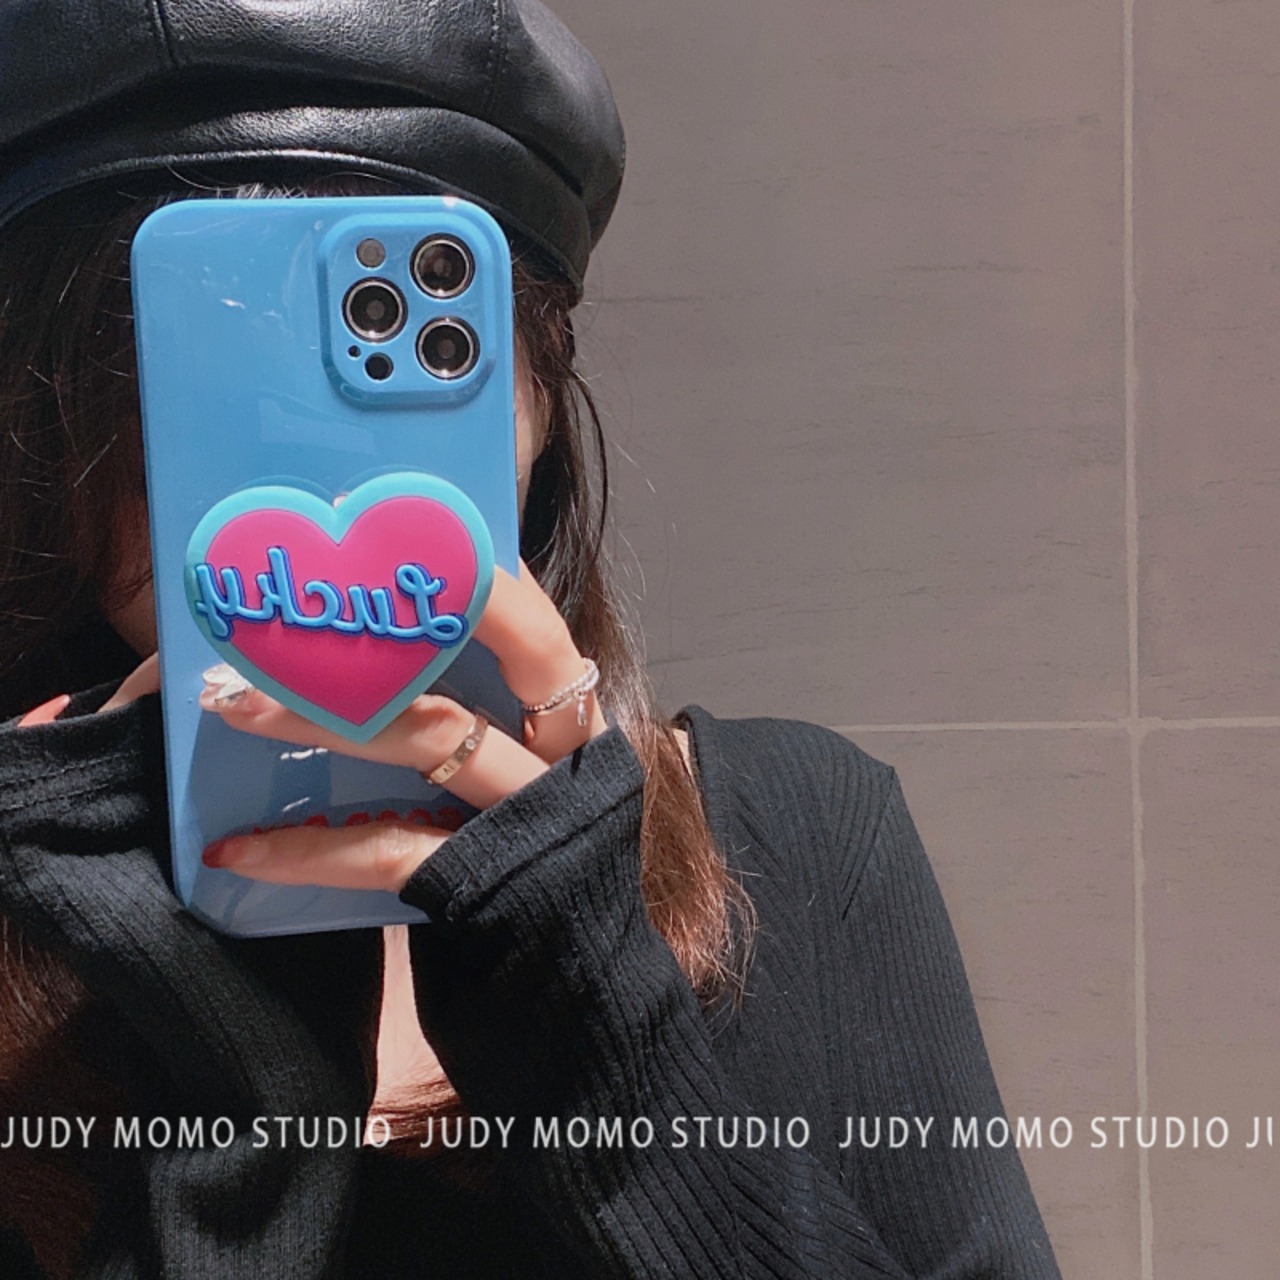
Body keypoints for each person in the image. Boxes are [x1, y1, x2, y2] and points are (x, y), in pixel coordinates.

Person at [0, 1, 1062, 1276]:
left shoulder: (799, 836)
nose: (297, 473)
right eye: (183, 378)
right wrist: (243, 1117)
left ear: (542, 390)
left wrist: (602, 1041)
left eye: (398, 354)